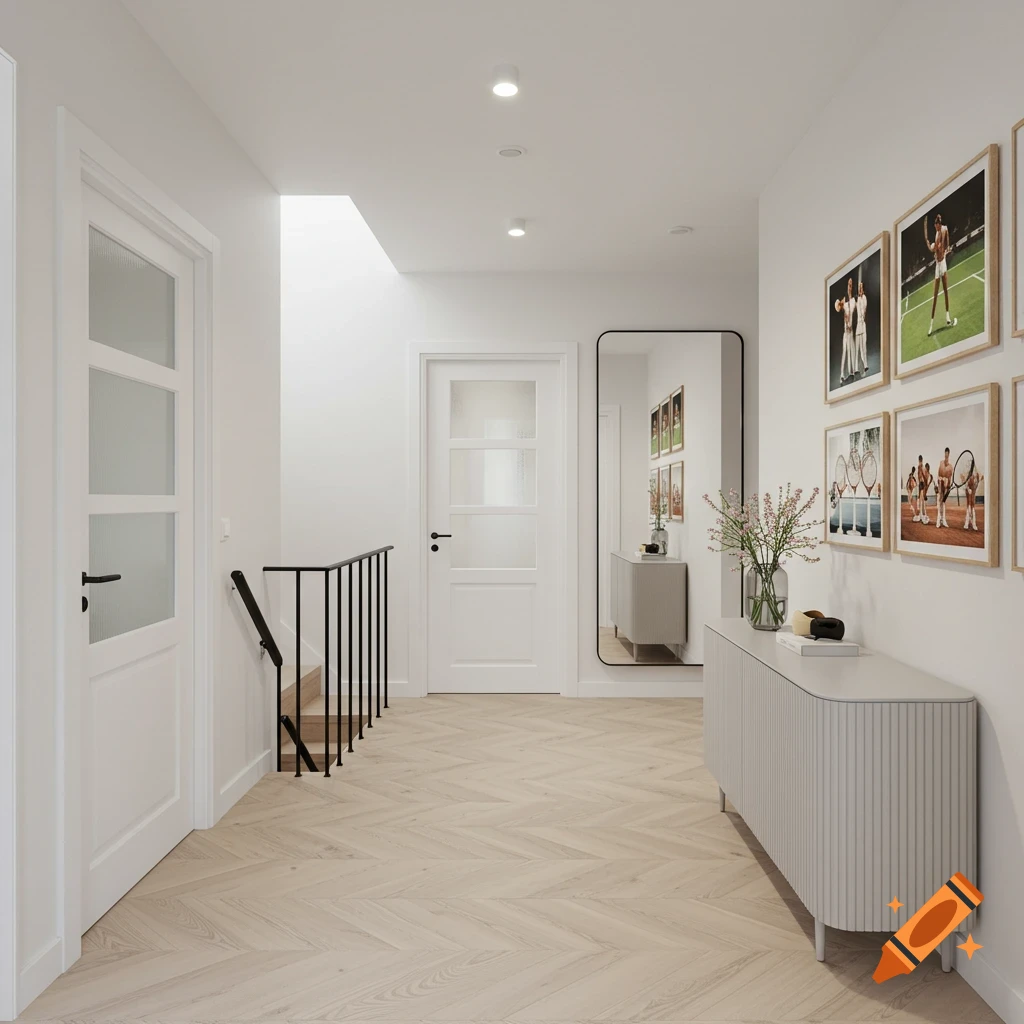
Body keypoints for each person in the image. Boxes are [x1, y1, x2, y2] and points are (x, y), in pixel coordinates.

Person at [926, 213, 958, 337]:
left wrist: (943, 247)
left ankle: (947, 317)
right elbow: (935, 249)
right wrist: (932, 247)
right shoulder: (937, 233)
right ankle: (931, 325)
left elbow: (942, 242)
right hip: (937, 265)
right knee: (935, 296)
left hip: (943, 263)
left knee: (945, 291)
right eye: (935, 226)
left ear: (939, 224)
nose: (936, 228)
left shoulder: (943, 230)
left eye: (937, 226)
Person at [936, 447, 953, 529]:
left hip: (945, 487)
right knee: (940, 502)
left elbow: (950, 480)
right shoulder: (941, 463)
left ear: (949, 454)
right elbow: (938, 475)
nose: (946, 456)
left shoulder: (951, 467)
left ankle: (944, 520)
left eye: (947, 454)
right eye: (945, 454)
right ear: (944, 454)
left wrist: (947, 485)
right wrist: (940, 481)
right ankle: (938, 520)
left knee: (943, 503)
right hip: (940, 485)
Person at [855, 279, 869, 377]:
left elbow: (864, 310)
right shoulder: (858, 299)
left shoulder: (864, 298)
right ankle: (857, 368)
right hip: (858, 326)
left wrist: (860, 299)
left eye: (861, 287)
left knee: (864, 346)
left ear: (863, 289)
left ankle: (865, 365)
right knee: (858, 348)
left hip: (862, 325)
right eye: (859, 287)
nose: (860, 289)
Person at [964, 461, 983, 532]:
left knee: (972, 504)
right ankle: (967, 522)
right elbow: (964, 481)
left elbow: (981, 478)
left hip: (973, 489)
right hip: (968, 489)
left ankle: (973, 523)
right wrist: (968, 488)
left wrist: (978, 480)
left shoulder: (976, 473)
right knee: (968, 504)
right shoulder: (967, 473)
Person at [916, 456, 933, 525]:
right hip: (922, 485)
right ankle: (922, 515)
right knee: (921, 501)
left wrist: (922, 474)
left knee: (923, 502)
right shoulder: (922, 469)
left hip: (924, 486)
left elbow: (926, 481)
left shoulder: (926, 473)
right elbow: (920, 477)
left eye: (927, 468)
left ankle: (924, 515)